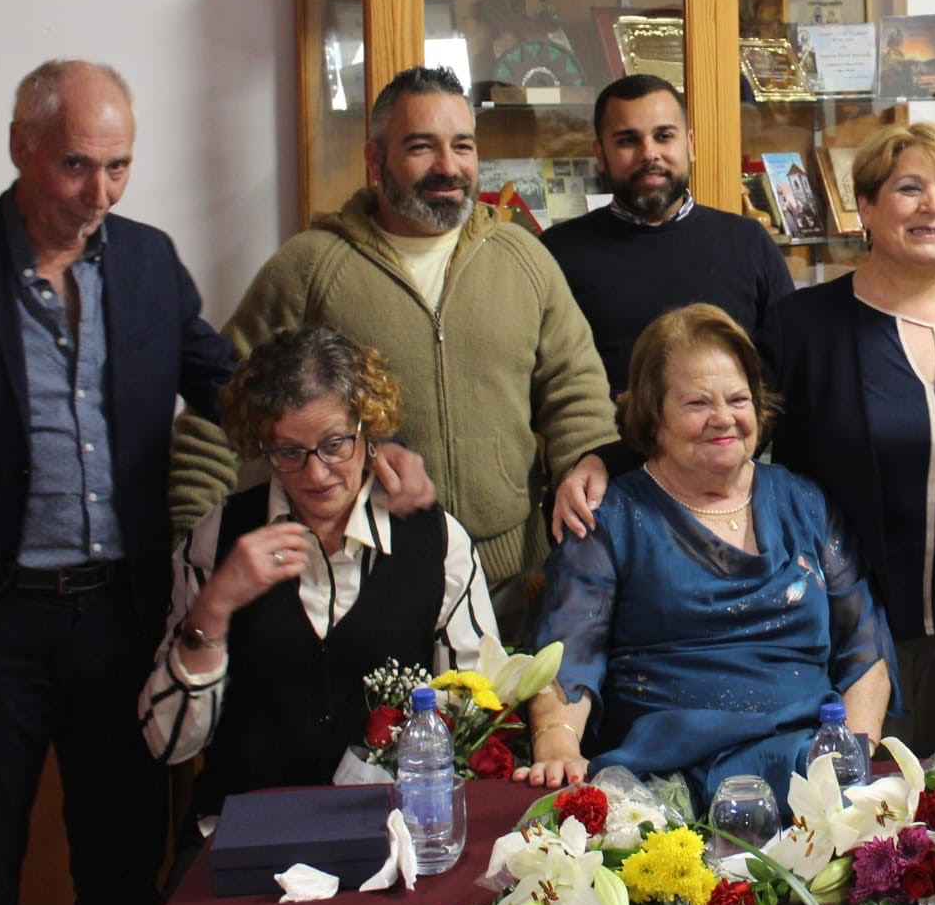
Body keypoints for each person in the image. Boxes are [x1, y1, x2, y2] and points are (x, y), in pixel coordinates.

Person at [555, 123, 935, 750]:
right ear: (863, 206)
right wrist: (601, 459)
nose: (932, 207)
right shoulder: (804, 326)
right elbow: (724, 423)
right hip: (850, 642)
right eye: (909, 188)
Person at [0, 61, 235, 905]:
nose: (101, 190)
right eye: (78, 163)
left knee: (122, 864)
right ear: (20, 146)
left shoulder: (149, 262)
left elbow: (228, 384)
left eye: (119, 166)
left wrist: (359, 445)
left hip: (121, 616)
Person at [171, 66, 618, 636]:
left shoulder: (523, 257)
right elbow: (222, 408)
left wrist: (587, 464)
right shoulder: (309, 267)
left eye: (462, 146)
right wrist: (192, 547)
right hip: (359, 583)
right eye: (420, 147)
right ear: (374, 158)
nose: (448, 167)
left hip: (514, 584)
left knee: (508, 728)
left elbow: (575, 390)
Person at [139, 327, 542, 813]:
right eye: (289, 452)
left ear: (368, 430)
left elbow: (475, 715)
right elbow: (167, 744)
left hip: (397, 832)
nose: (316, 474)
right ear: (261, 445)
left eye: (334, 445)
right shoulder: (216, 540)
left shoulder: (436, 542)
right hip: (246, 831)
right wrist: (214, 608)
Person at [524, 304, 894, 805]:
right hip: (665, 781)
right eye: (697, 403)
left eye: (739, 399)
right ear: (652, 414)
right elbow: (567, 655)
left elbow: (864, 645)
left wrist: (855, 755)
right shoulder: (607, 516)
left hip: (809, 770)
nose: (724, 418)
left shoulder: (805, 502)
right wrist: (558, 743)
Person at [541, 74, 791, 401]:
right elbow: (550, 382)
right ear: (600, 155)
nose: (649, 154)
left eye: (664, 136)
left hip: (731, 445)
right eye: (628, 140)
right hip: (607, 449)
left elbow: (786, 367)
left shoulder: (749, 242)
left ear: (689, 145)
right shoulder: (557, 253)